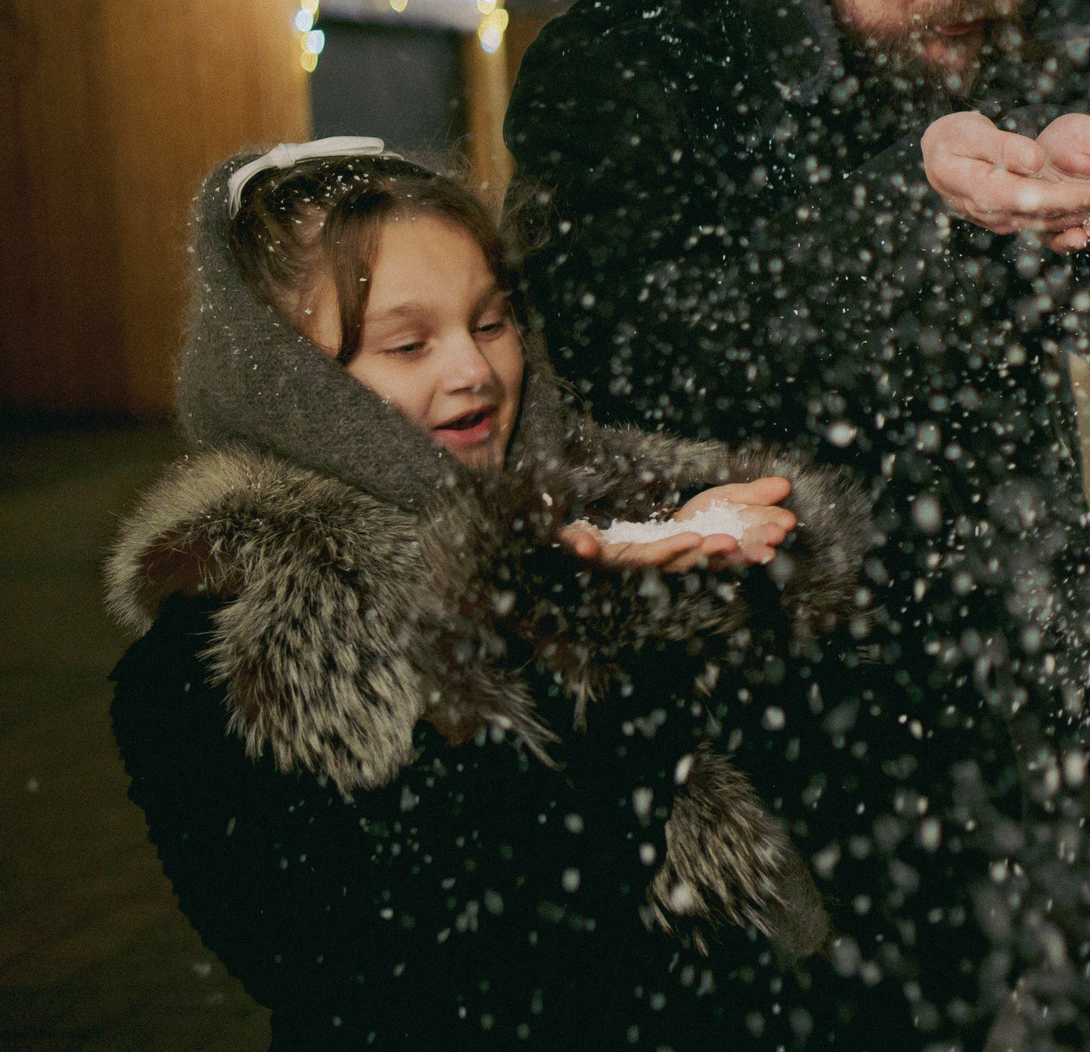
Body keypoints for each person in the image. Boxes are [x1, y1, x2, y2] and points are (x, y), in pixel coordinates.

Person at [506, 0, 1090, 1048]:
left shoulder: (1031, 58)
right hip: (755, 751)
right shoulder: (629, 67)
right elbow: (650, 339)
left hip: (1026, 712)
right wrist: (918, 201)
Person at [108, 143, 1019, 1050]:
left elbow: (847, 795)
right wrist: (601, 645)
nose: (473, 370)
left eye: (492, 321)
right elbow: (420, 969)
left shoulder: (610, 503)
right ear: (285, 386)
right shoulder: (223, 658)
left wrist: (735, 590)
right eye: (407, 343)